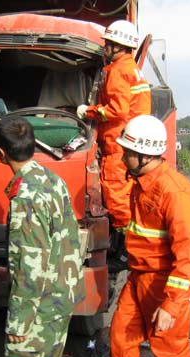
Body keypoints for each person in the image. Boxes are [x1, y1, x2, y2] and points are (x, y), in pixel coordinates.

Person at [0, 116, 87, 357]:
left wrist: (19, 322)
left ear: (1, 153)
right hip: (60, 297)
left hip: (40, 308)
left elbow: (30, 266)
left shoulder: (25, 196)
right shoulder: (52, 178)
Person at [110, 115, 190, 357]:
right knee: (121, 338)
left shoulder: (176, 193)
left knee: (172, 354)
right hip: (139, 277)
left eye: (126, 153)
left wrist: (171, 305)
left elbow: (187, 256)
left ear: (144, 155)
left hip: (163, 285)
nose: (121, 158)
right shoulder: (141, 183)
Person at [76, 20, 151, 265]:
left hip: (118, 143)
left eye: (108, 43)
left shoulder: (118, 70)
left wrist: (89, 111)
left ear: (119, 46)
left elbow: (116, 111)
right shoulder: (131, 68)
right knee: (126, 198)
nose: (105, 47)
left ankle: (129, 253)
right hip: (129, 141)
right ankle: (125, 249)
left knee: (117, 197)